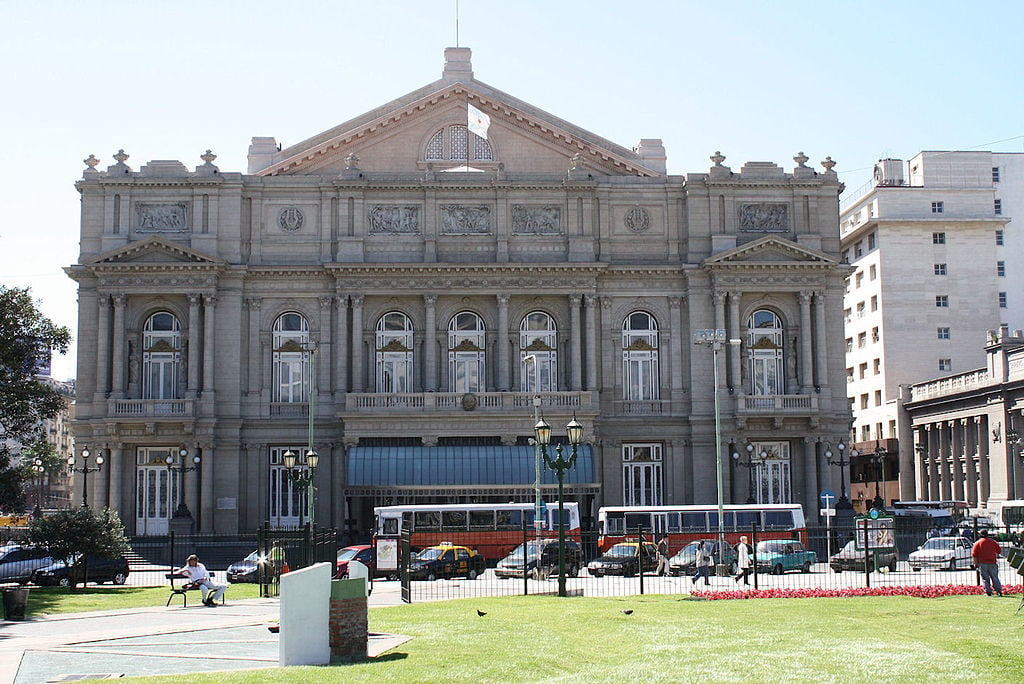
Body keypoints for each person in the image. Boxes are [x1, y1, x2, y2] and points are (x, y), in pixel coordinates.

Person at [971, 529, 1003, 597]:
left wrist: (976, 563)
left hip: (982, 563)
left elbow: (974, 554)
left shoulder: (977, 543)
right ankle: (999, 591)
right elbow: (999, 551)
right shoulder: (993, 542)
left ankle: (988, 592)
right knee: (995, 577)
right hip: (992, 562)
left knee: (985, 578)